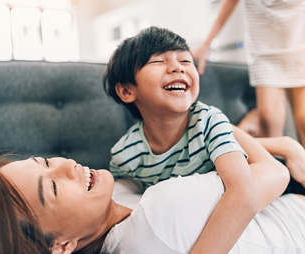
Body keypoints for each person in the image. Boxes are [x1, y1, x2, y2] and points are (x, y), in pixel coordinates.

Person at [0, 129, 305, 253]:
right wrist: (213, 122)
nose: (68, 165)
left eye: (44, 161)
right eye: (53, 186)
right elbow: (274, 172)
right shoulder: (163, 216)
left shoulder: (119, 217)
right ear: (60, 246)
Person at [103, 26, 258, 253]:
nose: (177, 67)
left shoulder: (208, 121)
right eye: (158, 61)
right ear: (127, 91)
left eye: (186, 61)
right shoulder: (125, 154)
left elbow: (244, 194)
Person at [191, 0, 305, 146]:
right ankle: (275, 164)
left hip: (299, 41)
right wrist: (206, 45)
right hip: (263, 47)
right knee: (268, 119)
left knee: (304, 118)